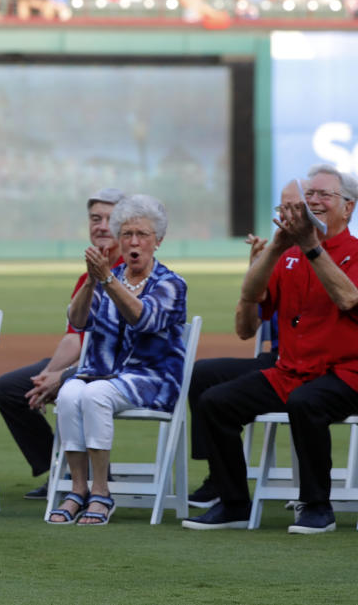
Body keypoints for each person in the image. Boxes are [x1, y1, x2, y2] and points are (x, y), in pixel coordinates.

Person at [183, 165, 358, 533]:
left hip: (347, 373)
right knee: (216, 402)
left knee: (307, 402)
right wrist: (277, 247)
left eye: (324, 195)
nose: (314, 201)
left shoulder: (352, 253)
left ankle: (316, 506)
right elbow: (247, 321)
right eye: (309, 195)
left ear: (349, 208)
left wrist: (310, 246)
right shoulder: (290, 255)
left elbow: (348, 299)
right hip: (291, 371)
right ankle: (233, 504)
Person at [47, 194, 187, 525]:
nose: (134, 242)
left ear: (159, 241)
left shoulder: (170, 284)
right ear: (119, 240)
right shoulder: (108, 276)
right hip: (102, 374)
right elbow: (78, 322)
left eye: (142, 235)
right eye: (127, 234)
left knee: (94, 394)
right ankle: (77, 489)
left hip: (152, 379)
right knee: (69, 393)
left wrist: (107, 280)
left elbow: (145, 320)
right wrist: (93, 280)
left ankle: (101, 491)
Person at [0, 188, 124, 500]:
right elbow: (74, 337)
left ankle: (88, 473)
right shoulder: (86, 276)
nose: (102, 225)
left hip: (115, 368)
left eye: (110, 218)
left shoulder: (130, 272)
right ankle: (61, 469)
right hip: (85, 363)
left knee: (68, 387)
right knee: (9, 389)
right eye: (95, 218)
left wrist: (62, 377)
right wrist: (48, 376)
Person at [185, 180, 302, 509]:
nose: (288, 216)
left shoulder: (331, 255)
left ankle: (312, 493)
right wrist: (258, 268)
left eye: (296, 208)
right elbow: (247, 330)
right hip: (279, 361)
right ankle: (218, 477)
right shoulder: (280, 255)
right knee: (203, 375)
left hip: (317, 367)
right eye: (283, 209)